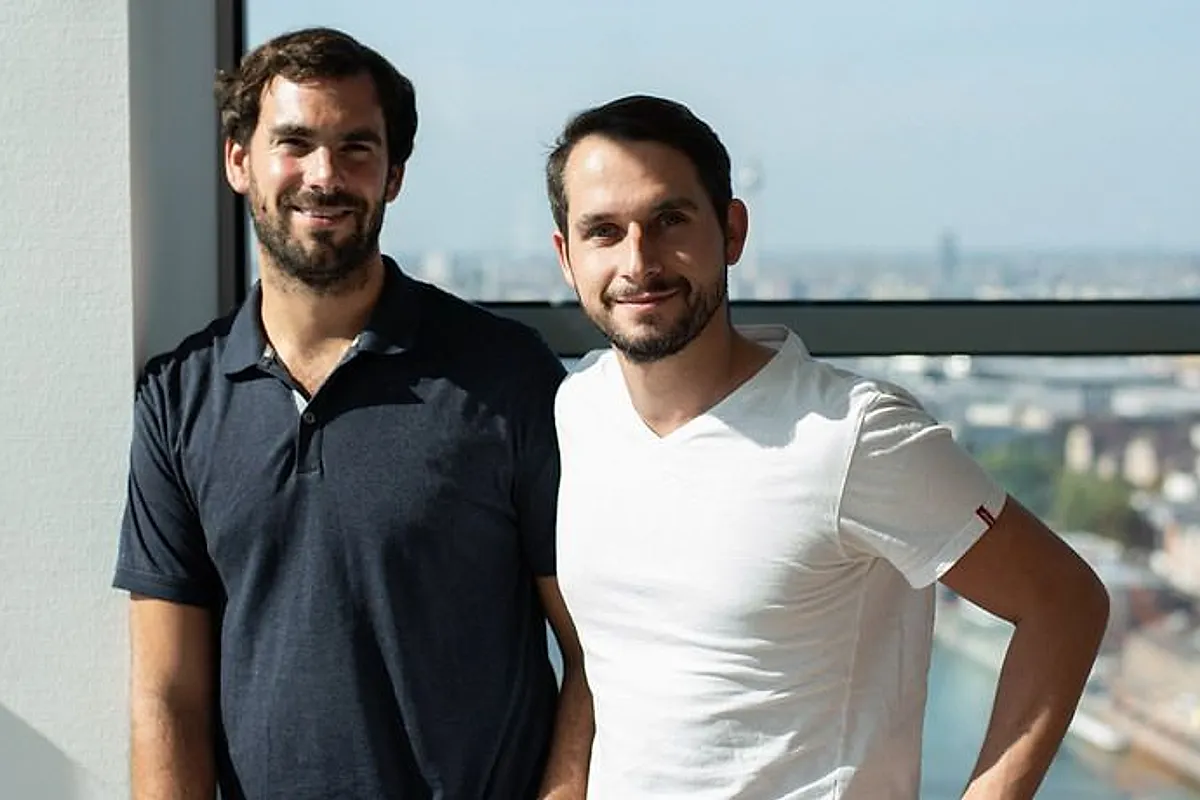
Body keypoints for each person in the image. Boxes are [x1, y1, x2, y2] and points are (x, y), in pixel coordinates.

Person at [544, 94, 1109, 799]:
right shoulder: (579, 409)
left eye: (670, 221)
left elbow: (1065, 602)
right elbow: (609, 666)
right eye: (603, 231)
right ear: (567, 258)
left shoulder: (852, 434)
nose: (639, 260)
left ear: (731, 231)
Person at [113, 27, 590, 799]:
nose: (324, 175)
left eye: (356, 148)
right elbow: (167, 697)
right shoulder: (178, 398)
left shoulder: (504, 375)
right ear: (238, 161)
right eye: (294, 143)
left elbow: (595, 649)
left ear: (393, 175)